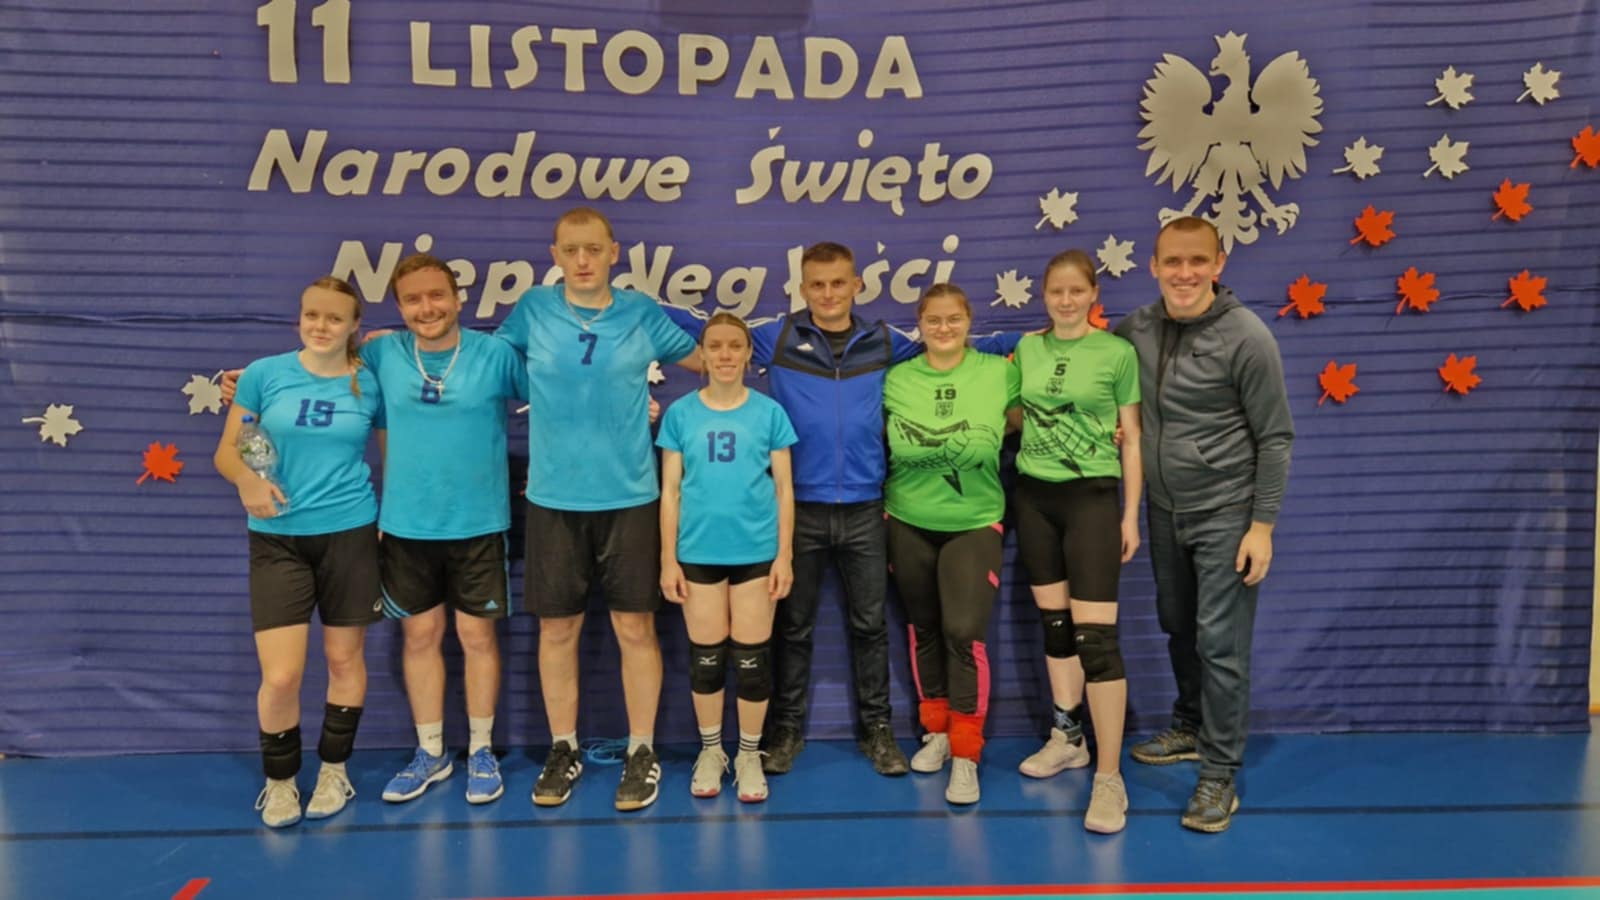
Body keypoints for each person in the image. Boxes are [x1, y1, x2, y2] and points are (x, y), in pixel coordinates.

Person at [495, 207, 698, 811]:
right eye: (570, 250)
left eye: (593, 249)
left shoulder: (641, 313)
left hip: (631, 498)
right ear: (554, 256)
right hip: (553, 500)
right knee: (558, 630)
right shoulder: (533, 309)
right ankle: (564, 748)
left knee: (635, 629)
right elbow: (482, 365)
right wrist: (388, 350)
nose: (582, 261)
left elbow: (715, 357)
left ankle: (641, 750)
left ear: (614, 252)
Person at [1114, 216, 1293, 833]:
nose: (1184, 273)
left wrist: (1261, 526)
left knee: (1221, 643)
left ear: (1219, 264)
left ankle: (1219, 773)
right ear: (1153, 266)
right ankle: (1190, 726)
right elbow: (1101, 383)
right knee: (1177, 624)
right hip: (1164, 511)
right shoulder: (1135, 330)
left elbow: (1276, 438)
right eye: (1173, 261)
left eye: (1198, 261)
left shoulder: (1247, 337)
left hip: (1227, 514)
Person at [213, 276, 384, 828]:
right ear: (299, 318)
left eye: (334, 318)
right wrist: (247, 481)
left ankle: (334, 771)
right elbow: (227, 453)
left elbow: (394, 457)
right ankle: (281, 781)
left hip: (350, 534)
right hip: (277, 540)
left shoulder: (371, 381)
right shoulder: (263, 375)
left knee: (344, 661)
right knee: (283, 675)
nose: (321, 326)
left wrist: (391, 524)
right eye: (312, 315)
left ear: (354, 325)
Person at [362, 254, 527, 806]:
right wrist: (247, 387)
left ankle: (480, 750)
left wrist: (632, 401)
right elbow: (314, 365)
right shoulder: (381, 353)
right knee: (420, 637)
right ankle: (431, 753)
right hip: (406, 526)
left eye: (437, 295)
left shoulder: (495, 355)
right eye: (413, 299)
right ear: (399, 306)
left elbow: (562, 393)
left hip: (479, 523)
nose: (426, 308)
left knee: (477, 638)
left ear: (458, 299)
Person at [1008, 250, 1142, 834]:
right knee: (1056, 626)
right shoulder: (1026, 350)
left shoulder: (1117, 353)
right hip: (1034, 499)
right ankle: (1069, 738)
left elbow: (1131, 437)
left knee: (1097, 640)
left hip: (1092, 500)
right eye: (1056, 291)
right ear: (1044, 296)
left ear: (1093, 295)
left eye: (1076, 291)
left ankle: (1109, 778)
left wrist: (1129, 515)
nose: (1066, 300)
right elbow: (1014, 415)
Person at [882, 284, 1016, 805]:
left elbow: (1041, 416)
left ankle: (966, 752)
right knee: (924, 630)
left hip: (974, 522)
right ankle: (936, 731)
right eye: (933, 320)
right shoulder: (898, 379)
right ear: (919, 325)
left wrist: (1108, 431)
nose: (943, 328)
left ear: (968, 321)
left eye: (953, 319)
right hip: (907, 520)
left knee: (963, 633)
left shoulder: (998, 372)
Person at [657, 313, 798, 803]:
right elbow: (670, 492)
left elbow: (784, 490)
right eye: (714, 346)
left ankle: (749, 755)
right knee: (707, 660)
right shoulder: (680, 415)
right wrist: (667, 560)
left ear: (748, 353)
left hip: (756, 552)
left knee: (753, 661)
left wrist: (784, 556)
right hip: (698, 553)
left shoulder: (769, 413)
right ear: (703, 354)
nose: (724, 355)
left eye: (734, 346)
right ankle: (712, 751)